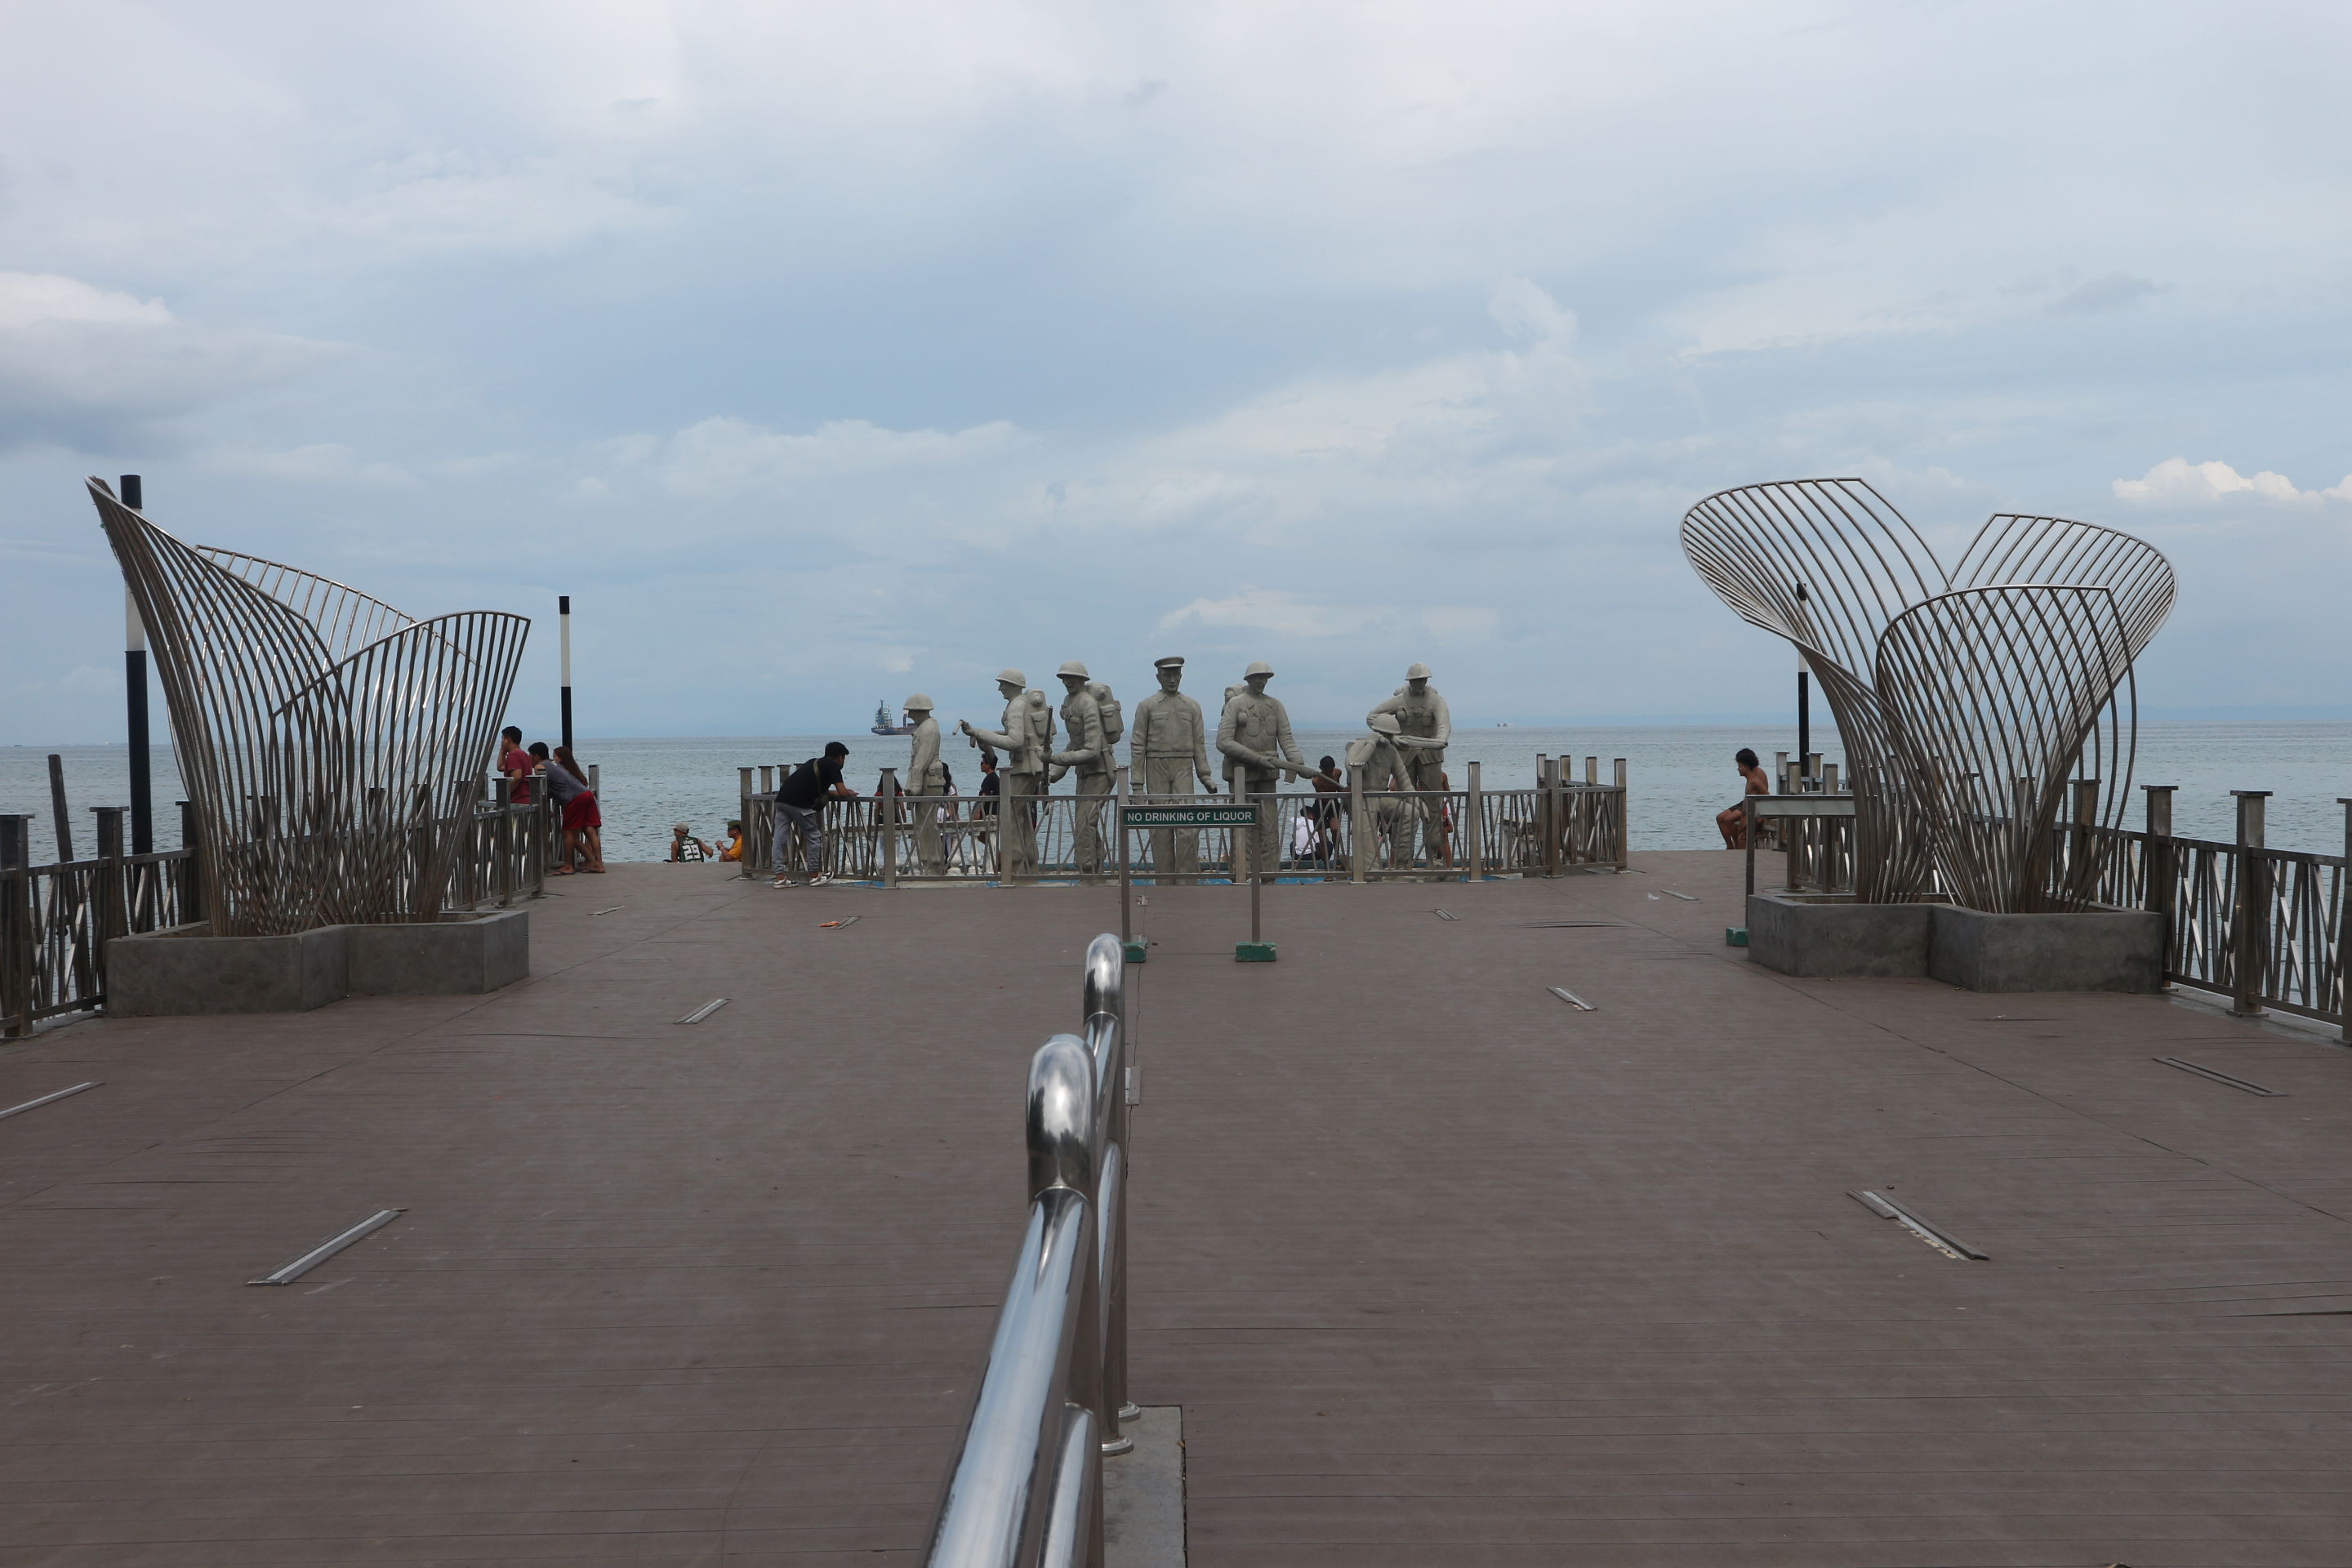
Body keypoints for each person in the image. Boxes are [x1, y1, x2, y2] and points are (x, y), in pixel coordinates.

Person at [774, 741, 854, 887]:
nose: (843, 762)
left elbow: (821, 789)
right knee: (814, 836)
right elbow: (842, 792)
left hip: (782, 800)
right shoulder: (834, 766)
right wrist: (848, 792)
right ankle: (814, 876)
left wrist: (837, 792)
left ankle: (780, 877)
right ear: (840, 757)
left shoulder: (813, 762)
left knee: (779, 837)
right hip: (800, 804)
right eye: (844, 758)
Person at [553, 745, 604, 871]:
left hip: (577, 802)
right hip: (590, 800)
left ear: (560, 759)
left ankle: (577, 863)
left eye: (554, 757)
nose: (553, 761)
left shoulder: (563, 774)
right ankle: (597, 862)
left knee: (570, 833)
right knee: (590, 831)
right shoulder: (576, 772)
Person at [1717, 746, 1771, 848]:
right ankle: (1730, 846)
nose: (1738, 768)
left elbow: (1766, 796)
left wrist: (1761, 815)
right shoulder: (1749, 776)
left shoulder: (1757, 776)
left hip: (1753, 805)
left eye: (1740, 766)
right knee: (1720, 818)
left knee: (1729, 820)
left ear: (1746, 766)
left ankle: (1737, 846)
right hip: (1746, 803)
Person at [1309, 755, 1346, 863]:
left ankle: (1337, 856)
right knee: (1323, 838)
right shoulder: (1316, 780)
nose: (1329, 774)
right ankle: (1326, 866)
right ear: (1321, 769)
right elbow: (1324, 795)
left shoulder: (1338, 773)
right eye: (1327, 772)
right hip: (1320, 806)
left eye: (1331, 771)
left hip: (1333, 804)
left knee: (1335, 829)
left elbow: (1337, 788)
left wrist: (1347, 792)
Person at [497, 725, 533, 806]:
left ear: (508, 740)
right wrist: (502, 751)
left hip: (519, 801)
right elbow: (500, 767)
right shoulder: (523, 754)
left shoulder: (514, 755)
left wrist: (503, 795)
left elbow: (517, 778)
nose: (501, 742)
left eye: (502, 739)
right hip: (527, 799)